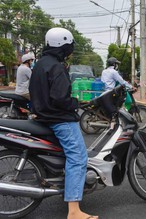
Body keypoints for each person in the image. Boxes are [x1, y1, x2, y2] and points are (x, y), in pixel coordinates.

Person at [29, 27, 98, 219]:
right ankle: (74, 211)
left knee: (69, 155)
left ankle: (67, 188)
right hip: (59, 119)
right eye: (70, 45)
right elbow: (60, 98)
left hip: (43, 116)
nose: (71, 49)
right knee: (78, 157)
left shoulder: (41, 64)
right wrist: (76, 103)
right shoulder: (57, 67)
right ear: (62, 45)